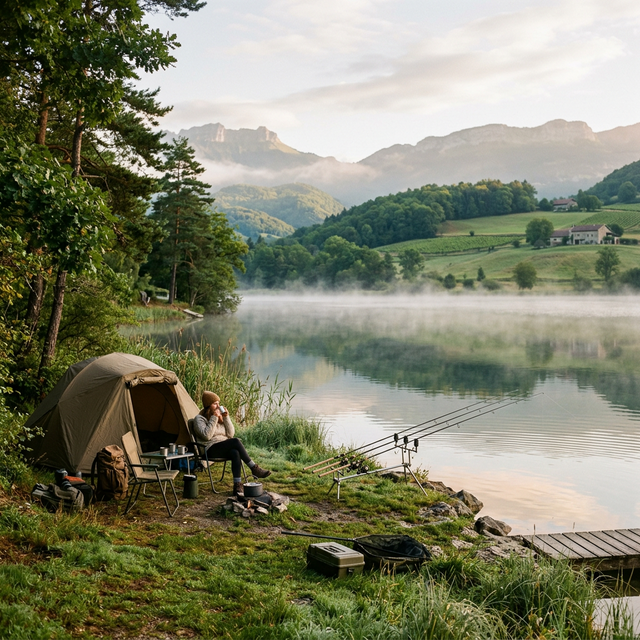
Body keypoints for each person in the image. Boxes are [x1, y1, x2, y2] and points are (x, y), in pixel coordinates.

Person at [192, 391, 271, 496]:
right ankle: (254, 468)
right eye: (215, 403)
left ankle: (237, 485)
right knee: (236, 441)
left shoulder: (219, 419)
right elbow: (207, 436)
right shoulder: (199, 419)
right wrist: (214, 418)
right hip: (209, 449)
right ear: (208, 405)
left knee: (235, 452)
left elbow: (230, 434)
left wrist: (225, 417)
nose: (218, 406)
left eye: (218, 403)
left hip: (223, 446)